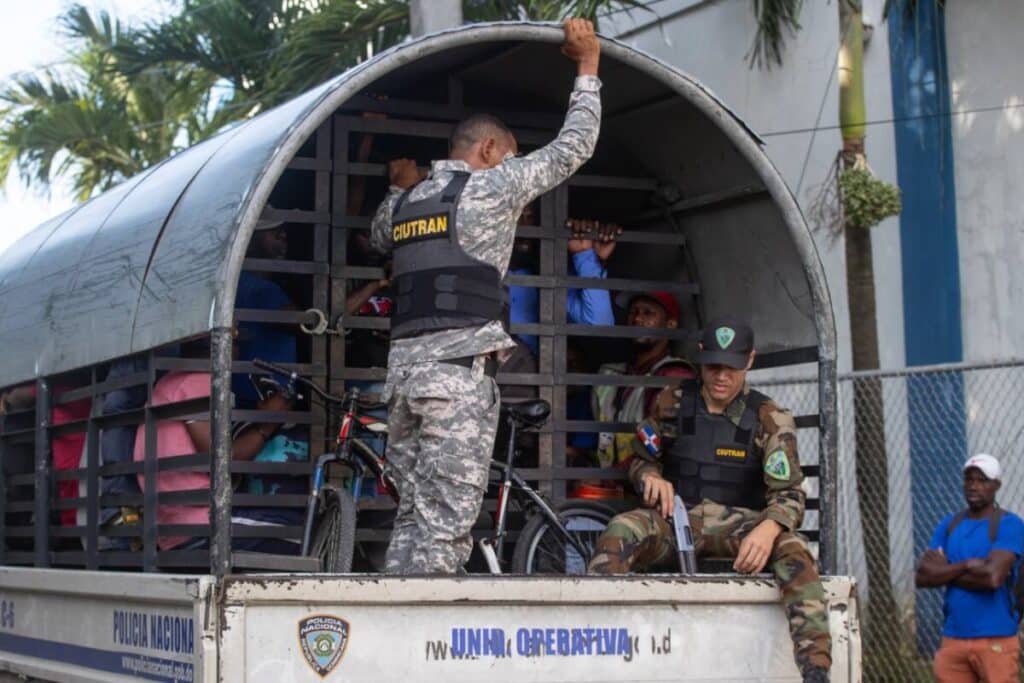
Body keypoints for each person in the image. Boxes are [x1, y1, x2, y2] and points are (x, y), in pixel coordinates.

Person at [368, 17, 602, 575]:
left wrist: (399, 184)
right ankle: (427, 649)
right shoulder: (494, 185)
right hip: (455, 380)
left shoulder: (402, 205)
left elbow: (379, 236)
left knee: (412, 518)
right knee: (445, 529)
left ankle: (394, 632)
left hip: (401, 382)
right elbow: (575, 147)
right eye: (510, 153)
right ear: (492, 149)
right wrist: (588, 65)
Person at [587, 317, 832, 683]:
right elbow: (640, 456)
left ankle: (816, 670)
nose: (721, 376)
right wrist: (650, 476)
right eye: (714, 365)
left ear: (749, 361)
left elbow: (790, 492)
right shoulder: (673, 402)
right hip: (677, 523)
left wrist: (769, 528)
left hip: (741, 531)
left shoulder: (770, 419)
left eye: (731, 367)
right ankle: (603, 654)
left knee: (794, 550)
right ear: (701, 357)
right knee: (621, 529)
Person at [134, 336, 296, 553]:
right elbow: (221, 458)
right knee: (303, 532)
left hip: (173, 531)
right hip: (203, 524)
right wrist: (268, 422)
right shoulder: (198, 381)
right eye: (235, 334)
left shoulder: (170, 382)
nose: (238, 335)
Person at [916, 453, 1024, 683]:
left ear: (997, 485)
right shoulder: (949, 524)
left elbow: (993, 578)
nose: (974, 486)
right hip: (954, 637)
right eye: (969, 480)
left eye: (982, 481)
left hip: (996, 638)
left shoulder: (1009, 524)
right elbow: (923, 577)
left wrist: (945, 572)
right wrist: (966, 565)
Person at [592, 291, 694, 470]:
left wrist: (609, 479)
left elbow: (662, 445)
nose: (638, 319)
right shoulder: (611, 374)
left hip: (647, 485)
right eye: (633, 312)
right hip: (614, 487)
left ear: (670, 324)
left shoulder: (674, 375)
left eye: (648, 313)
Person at [232, 210, 299, 407]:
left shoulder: (236, 284)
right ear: (250, 241)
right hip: (266, 401)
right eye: (273, 232)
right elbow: (299, 323)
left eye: (282, 231)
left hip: (247, 397)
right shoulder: (263, 290)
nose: (283, 236)